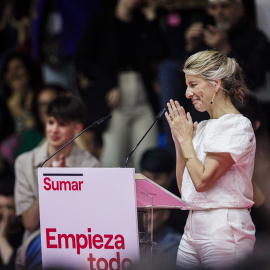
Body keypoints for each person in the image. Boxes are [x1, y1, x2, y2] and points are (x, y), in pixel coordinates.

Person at [165, 49, 256, 269]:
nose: (187, 93)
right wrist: (179, 143)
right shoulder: (204, 126)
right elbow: (186, 188)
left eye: (193, 84)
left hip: (224, 226)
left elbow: (202, 181)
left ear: (215, 84)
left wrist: (187, 141)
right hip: (192, 226)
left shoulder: (237, 125)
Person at [75, 0, 166, 170]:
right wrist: (109, 84)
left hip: (142, 97)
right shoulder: (99, 22)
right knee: (112, 161)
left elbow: (159, 53)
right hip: (114, 100)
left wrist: (151, 17)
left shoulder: (143, 21)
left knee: (147, 164)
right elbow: (82, 61)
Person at [14, 96, 101, 269]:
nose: (53, 130)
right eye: (51, 122)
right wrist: (49, 183)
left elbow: (91, 221)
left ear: (77, 129)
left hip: (79, 239)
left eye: (62, 124)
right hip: (39, 239)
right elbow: (29, 224)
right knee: (52, 251)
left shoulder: (91, 165)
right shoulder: (24, 162)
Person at [139, 147, 182, 261]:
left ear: (171, 176)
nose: (152, 184)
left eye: (157, 178)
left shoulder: (184, 204)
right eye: (147, 178)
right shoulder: (134, 196)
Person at [0, 171, 24, 270]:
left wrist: (1, 238)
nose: (4, 213)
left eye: (9, 208)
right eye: (0, 207)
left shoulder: (24, 238)